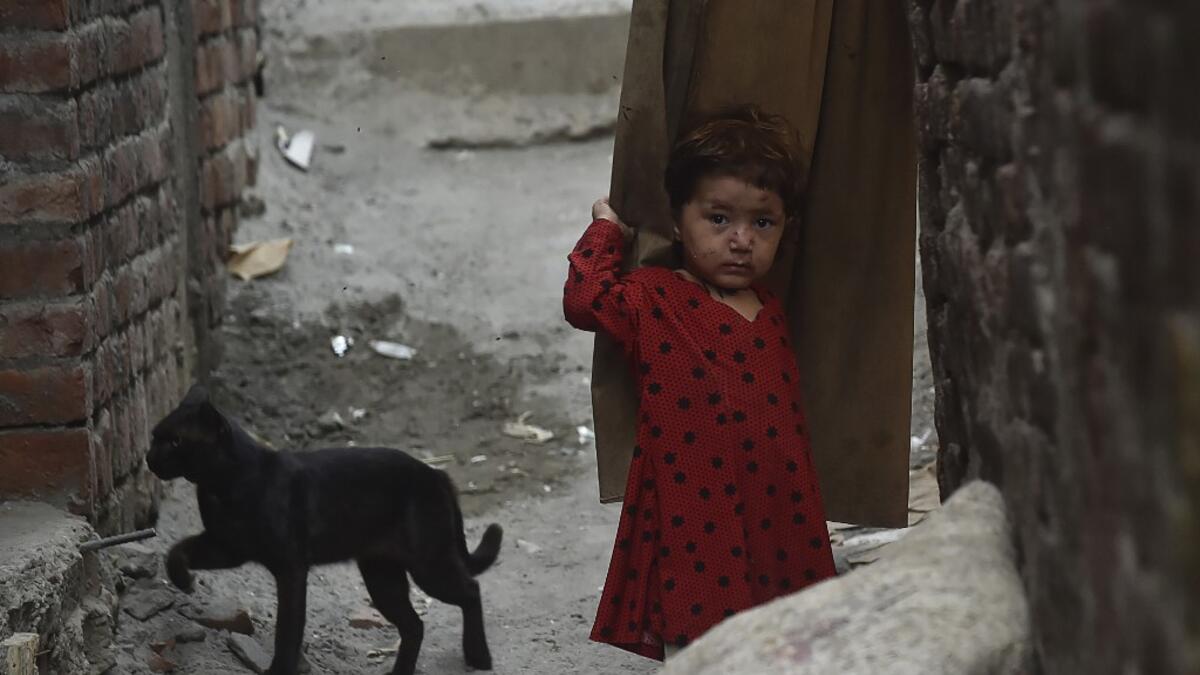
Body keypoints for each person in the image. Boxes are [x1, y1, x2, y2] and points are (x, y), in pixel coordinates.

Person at [563, 105, 837, 660]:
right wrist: (607, 229)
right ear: (676, 220)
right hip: (693, 515)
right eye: (718, 219)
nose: (741, 240)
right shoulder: (655, 298)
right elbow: (584, 300)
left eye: (763, 223)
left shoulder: (770, 310)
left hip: (777, 514)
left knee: (781, 641)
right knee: (699, 644)